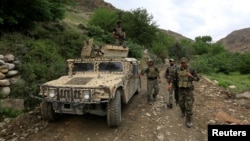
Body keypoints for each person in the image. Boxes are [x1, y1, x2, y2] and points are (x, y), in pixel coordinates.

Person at [176, 57, 199, 128]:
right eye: (182, 63)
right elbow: (174, 78)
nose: (183, 64)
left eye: (184, 62)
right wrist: (171, 85)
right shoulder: (178, 69)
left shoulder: (191, 69)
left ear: (187, 62)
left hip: (188, 91)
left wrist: (191, 76)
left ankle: (188, 120)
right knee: (181, 104)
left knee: (189, 106)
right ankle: (183, 111)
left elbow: (197, 79)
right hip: (180, 90)